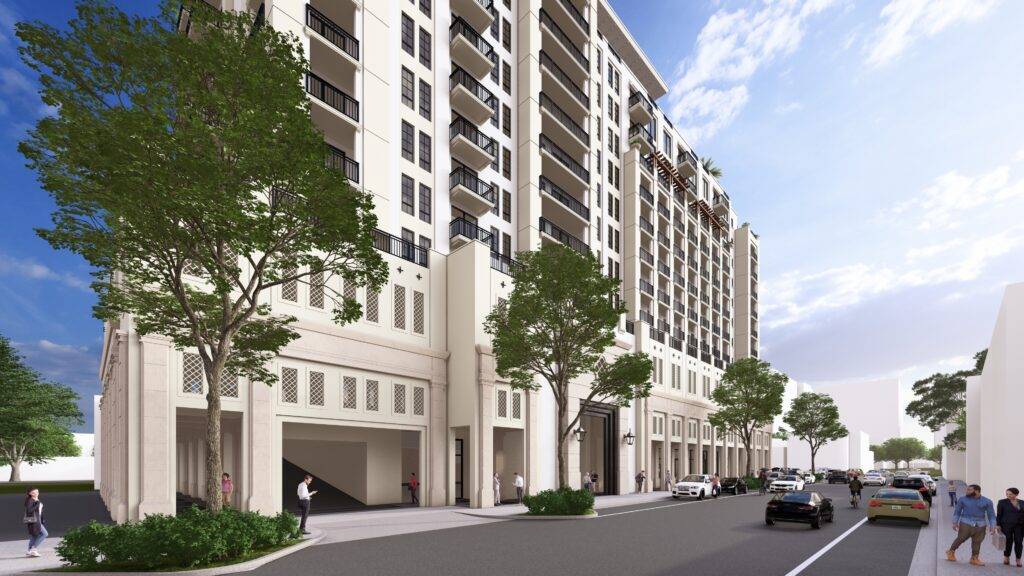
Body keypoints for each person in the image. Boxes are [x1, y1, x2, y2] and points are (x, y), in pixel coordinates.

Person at [947, 483, 997, 566]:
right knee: (961, 538)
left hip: (981, 525)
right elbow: (957, 511)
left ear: (976, 491)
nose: (967, 491)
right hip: (966, 522)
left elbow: (991, 515)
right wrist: (955, 522)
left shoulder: (987, 501)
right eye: (967, 489)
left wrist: (993, 526)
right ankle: (951, 552)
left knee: (977, 542)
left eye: (969, 490)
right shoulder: (962, 499)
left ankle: (974, 558)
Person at [997, 487, 1024, 567]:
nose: (1008, 495)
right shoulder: (1002, 502)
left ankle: (1018, 559)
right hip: (1006, 525)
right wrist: (998, 525)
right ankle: (1006, 557)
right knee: (1008, 541)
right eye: (1007, 494)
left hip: (1020, 526)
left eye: (1010, 494)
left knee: (1019, 542)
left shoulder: (1022, 502)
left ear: (1016, 494)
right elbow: (999, 514)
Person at [24, 488, 46, 558]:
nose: (36, 493)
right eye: (34, 492)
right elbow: (29, 510)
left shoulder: (37, 500)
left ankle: (29, 550)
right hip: (34, 520)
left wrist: (42, 519)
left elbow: (40, 512)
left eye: (37, 491)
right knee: (44, 534)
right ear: (30, 494)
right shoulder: (30, 500)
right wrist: (37, 504)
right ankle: (34, 549)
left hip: (38, 520)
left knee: (34, 535)